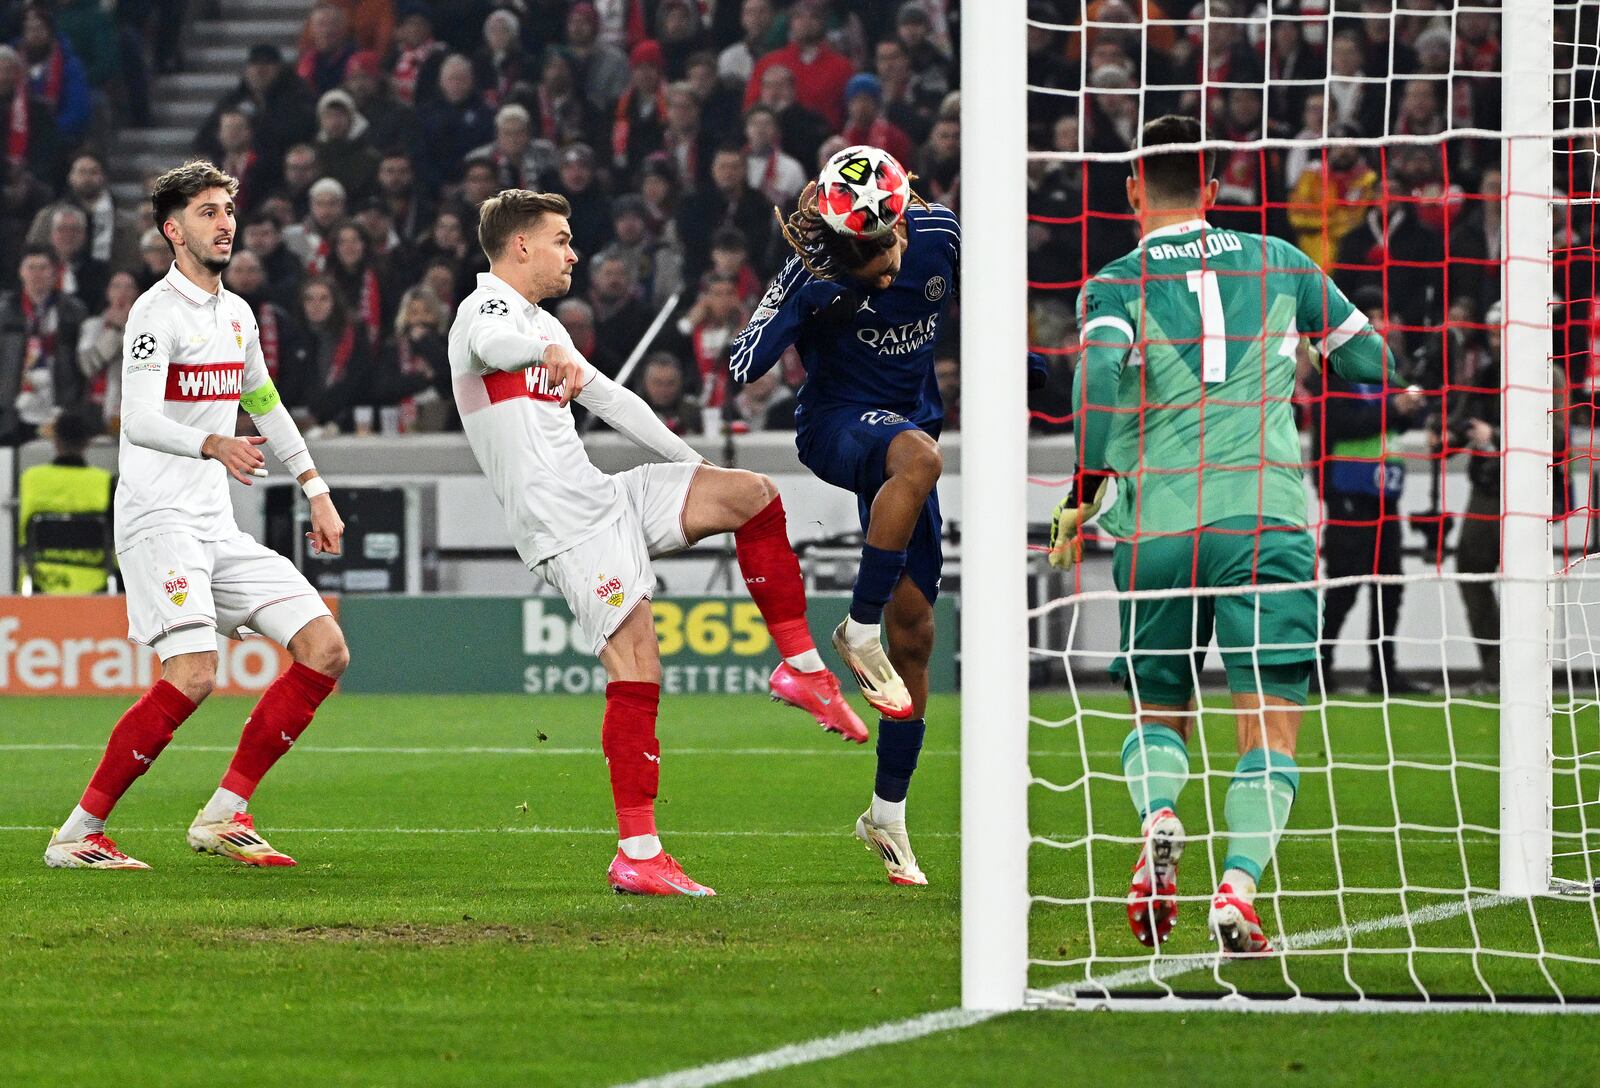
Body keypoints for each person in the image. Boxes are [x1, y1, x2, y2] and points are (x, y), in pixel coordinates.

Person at [1046, 116, 1402, 954]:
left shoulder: (1115, 283)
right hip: (1266, 519)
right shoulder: (1281, 260)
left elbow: (1095, 374)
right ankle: (1237, 888)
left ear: (1134, 190)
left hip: (1159, 524)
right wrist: (1304, 356)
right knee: (1269, 722)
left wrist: (1085, 489)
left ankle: (1161, 815)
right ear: (1213, 192)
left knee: (1158, 707)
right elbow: (1374, 363)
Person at [448, 189, 866, 896]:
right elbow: (494, 347)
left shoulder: (544, 325)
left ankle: (802, 670)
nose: (574, 253)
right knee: (638, 664)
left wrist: (691, 465)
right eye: (561, 239)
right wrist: (543, 348)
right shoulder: (485, 312)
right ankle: (638, 852)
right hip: (564, 524)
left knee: (752, 495)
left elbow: (614, 400)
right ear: (520, 246)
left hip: (603, 496)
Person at [44, 160, 350, 871]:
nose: (225, 223)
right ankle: (77, 834)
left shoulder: (237, 314)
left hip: (216, 525)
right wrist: (211, 440)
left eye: (228, 210)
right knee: (193, 675)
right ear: (172, 230)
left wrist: (315, 486)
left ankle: (225, 812)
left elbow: (266, 402)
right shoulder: (154, 315)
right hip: (158, 519)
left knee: (325, 649)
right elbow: (140, 418)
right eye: (209, 212)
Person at [727, 161, 963, 887]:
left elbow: (973, 322)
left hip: (903, 438)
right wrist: (798, 298)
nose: (888, 274)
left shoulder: (942, 236)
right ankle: (855, 629)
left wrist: (1027, 369)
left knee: (918, 635)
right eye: (869, 266)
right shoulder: (816, 278)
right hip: (837, 430)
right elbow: (742, 364)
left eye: (889, 251)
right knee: (923, 460)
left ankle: (886, 815)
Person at [1319, 305, 1430, 696]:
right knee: (1345, 584)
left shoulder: (1389, 370)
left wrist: (1411, 406)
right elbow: (1340, 423)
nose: (1384, 324)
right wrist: (1392, 409)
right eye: (1375, 318)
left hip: (1385, 491)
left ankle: (1383, 672)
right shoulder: (1337, 369)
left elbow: (1400, 421)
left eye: (1387, 317)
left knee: (1390, 585)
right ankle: (1321, 668)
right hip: (1349, 492)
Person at [16, 402, 112, 593]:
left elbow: (21, 534)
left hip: (40, 579)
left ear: (55, 440)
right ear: (87, 443)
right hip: (95, 582)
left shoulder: (31, 479)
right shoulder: (105, 482)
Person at [0, 245, 87, 446]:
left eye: (42, 268)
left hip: (58, 405)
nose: (36, 274)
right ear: (21, 272)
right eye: (31, 267)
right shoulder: (4, 312)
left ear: (54, 272)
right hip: (12, 408)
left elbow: (80, 363)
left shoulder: (73, 311)